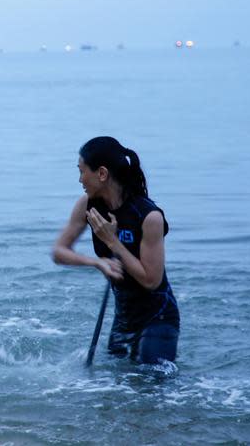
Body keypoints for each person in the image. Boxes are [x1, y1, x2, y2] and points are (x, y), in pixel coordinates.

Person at [52, 136, 179, 364]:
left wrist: (112, 242)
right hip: (123, 320)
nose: (80, 179)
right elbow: (59, 252)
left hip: (158, 318)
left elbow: (151, 280)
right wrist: (96, 262)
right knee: (117, 392)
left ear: (102, 173)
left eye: (82, 172)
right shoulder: (87, 206)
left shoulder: (149, 217)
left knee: (150, 390)